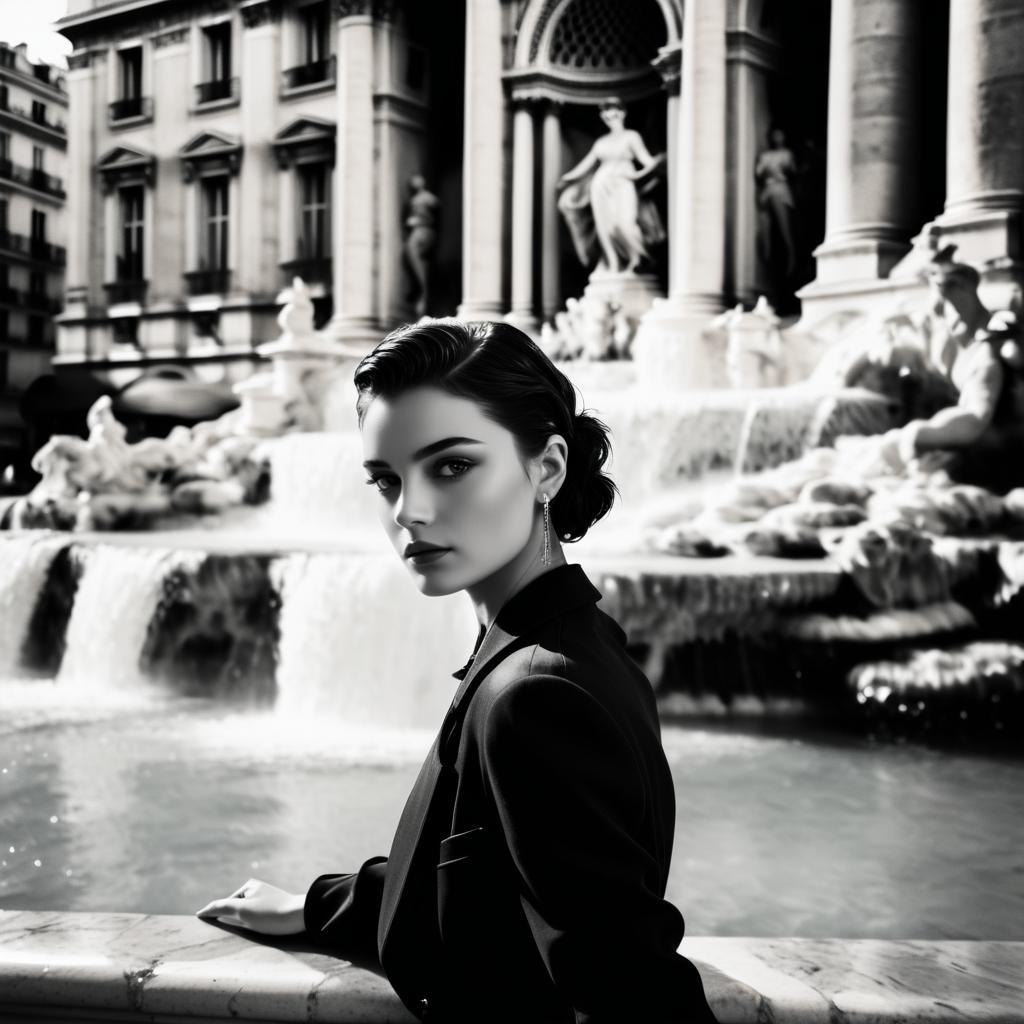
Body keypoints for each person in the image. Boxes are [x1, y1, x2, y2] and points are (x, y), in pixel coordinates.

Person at [196, 319, 719, 1024]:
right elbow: (482, 872)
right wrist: (318, 906)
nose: (409, 512)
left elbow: (635, 997)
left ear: (549, 468)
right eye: (386, 479)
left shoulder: (535, 696)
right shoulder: (566, 642)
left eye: (450, 466)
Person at [557, 98, 666, 275]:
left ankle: (639, 259)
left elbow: (646, 161)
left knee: (623, 224)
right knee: (604, 228)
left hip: (623, 183)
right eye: (606, 112)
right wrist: (566, 178)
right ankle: (613, 265)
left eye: (613, 110)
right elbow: (586, 165)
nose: (609, 115)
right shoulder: (601, 142)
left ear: (622, 113)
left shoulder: (631, 136)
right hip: (600, 185)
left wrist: (641, 172)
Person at [755, 127, 799, 278]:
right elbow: (759, 172)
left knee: (784, 225)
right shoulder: (765, 155)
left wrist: (781, 168)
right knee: (765, 226)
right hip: (768, 189)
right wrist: (767, 167)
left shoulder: (786, 154)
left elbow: (792, 170)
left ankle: (791, 256)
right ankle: (766, 258)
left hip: (780, 189)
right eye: (775, 135)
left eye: (779, 135)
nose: (777, 138)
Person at [403, 175, 441, 318]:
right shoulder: (426, 198)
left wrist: (415, 220)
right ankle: (423, 296)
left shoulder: (425, 198)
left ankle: (423, 294)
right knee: (421, 266)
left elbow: (431, 213)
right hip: (423, 232)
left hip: (421, 231)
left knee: (417, 262)